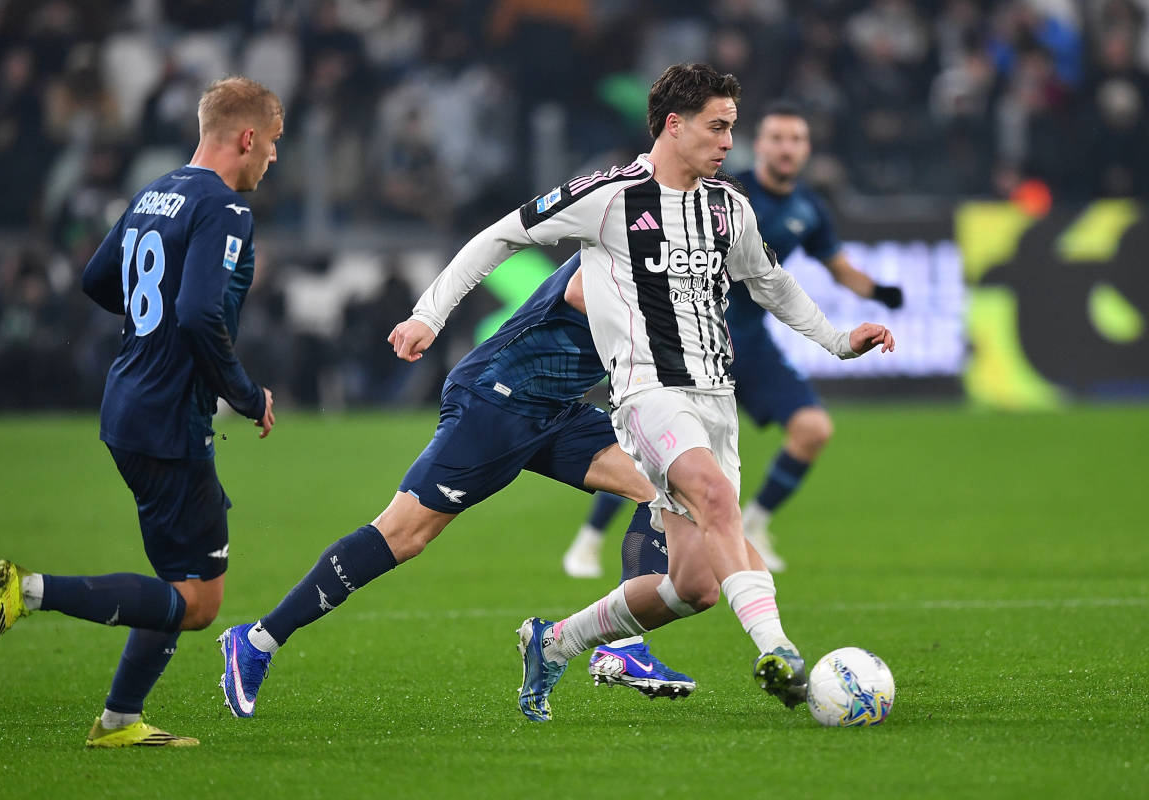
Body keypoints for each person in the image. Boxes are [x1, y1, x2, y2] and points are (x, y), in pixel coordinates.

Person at [384, 62, 893, 722]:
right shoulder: (611, 194)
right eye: (718, 127)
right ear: (674, 126)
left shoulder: (727, 206)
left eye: (732, 128)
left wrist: (839, 341)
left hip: (715, 400)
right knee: (714, 500)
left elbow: (771, 285)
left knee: (697, 584)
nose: (728, 142)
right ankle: (778, 651)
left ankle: (557, 641)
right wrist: (430, 313)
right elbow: (501, 236)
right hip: (647, 393)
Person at [218, 254, 698, 720]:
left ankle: (621, 646)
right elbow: (580, 291)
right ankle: (258, 640)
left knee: (662, 484)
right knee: (403, 535)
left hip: (557, 409)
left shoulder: (680, 257)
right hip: (497, 401)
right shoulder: (631, 231)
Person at [0, 77, 282, 748]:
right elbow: (198, 315)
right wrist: (250, 395)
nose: (274, 158)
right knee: (200, 602)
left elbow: (95, 278)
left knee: (177, 583)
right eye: (274, 143)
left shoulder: (156, 190)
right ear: (247, 137)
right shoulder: (225, 210)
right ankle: (29, 591)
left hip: (128, 402)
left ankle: (118, 720)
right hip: (170, 418)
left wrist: (151, 327)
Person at [563, 99, 904, 578]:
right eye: (777, 138)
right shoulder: (719, 189)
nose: (787, 149)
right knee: (657, 459)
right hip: (684, 344)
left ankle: (758, 524)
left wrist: (883, 294)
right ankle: (588, 541)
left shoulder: (808, 207)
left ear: (807, 149)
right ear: (758, 144)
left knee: (813, 429)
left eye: (797, 139)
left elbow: (834, 270)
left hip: (749, 344)